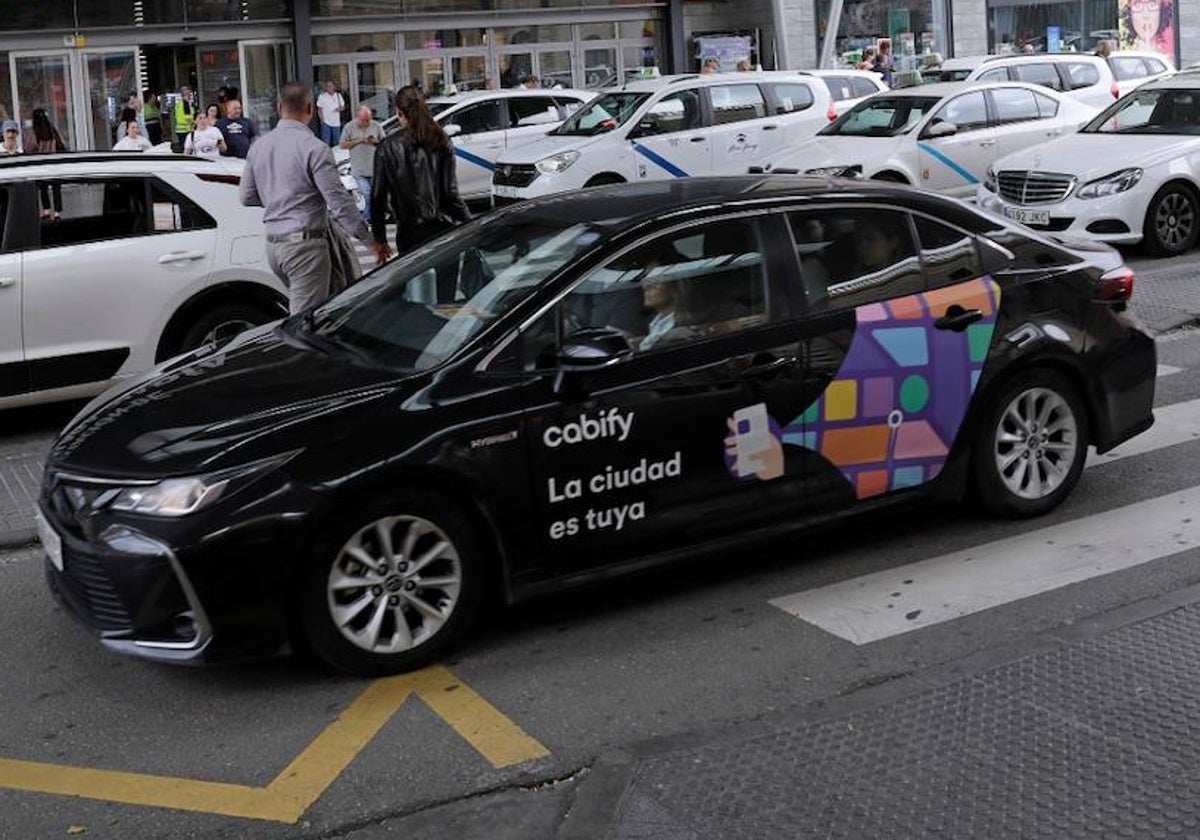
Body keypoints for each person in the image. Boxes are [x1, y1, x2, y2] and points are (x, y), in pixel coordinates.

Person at [240, 80, 371, 314]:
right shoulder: (315, 148)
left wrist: (278, 197)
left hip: (273, 246)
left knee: (311, 315)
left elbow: (246, 196)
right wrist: (369, 240)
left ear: (279, 107)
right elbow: (338, 201)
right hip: (304, 247)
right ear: (311, 109)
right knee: (304, 323)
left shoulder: (258, 147)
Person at [371, 86, 471, 286]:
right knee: (446, 298)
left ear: (398, 112)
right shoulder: (441, 140)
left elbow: (377, 198)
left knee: (414, 299)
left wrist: (380, 240)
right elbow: (451, 194)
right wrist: (470, 224)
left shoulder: (387, 147)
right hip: (444, 229)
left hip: (409, 233)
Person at [340, 105, 384, 223]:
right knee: (367, 193)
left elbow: (384, 143)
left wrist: (375, 142)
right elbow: (343, 145)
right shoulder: (349, 127)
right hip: (359, 169)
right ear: (357, 118)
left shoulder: (376, 126)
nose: (366, 122)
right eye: (363, 120)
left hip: (374, 168)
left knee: (374, 195)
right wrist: (359, 140)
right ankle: (368, 216)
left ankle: (367, 216)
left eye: (368, 120)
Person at [24, 109, 67, 219]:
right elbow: (61, 144)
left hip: (41, 165)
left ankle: (46, 211)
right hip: (55, 165)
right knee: (56, 188)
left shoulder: (35, 132)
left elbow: (29, 148)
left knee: (43, 188)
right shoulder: (52, 130)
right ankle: (57, 213)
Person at [316, 81, 345, 147]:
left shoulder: (338, 95)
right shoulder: (322, 96)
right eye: (328, 86)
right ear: (326, 88)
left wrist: (339, 109)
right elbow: (319, 109)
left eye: (331, 86)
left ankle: (338, 156)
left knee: (337, 141)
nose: (329, 88)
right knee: (326, 141)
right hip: (326, 122)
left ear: (334, 87)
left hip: (336, 122)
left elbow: (342, 107)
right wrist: (322, 120)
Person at [172, 85, 196, 153]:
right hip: (186, 130)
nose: (190, 94)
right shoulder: (185, 104)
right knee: (187, 149)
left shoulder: (180, 104)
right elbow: (188, 118)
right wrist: (195, 123)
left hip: (181, 130)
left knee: (184, 148)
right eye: (189, 92)